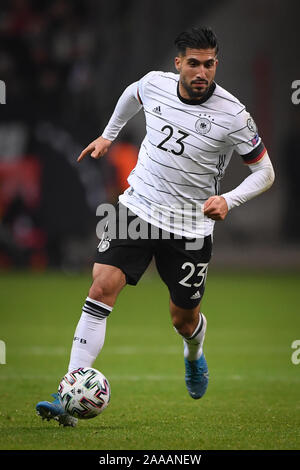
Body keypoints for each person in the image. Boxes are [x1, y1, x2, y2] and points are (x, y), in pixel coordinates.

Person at [36, 27, 275, 426]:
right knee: (100, 287)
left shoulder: (233, 115)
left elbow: (265, 172)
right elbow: (133, 94)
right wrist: (108, 135)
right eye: (194, 63)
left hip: (190, 227)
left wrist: (228, 200)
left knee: (183, 319)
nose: (202, 72)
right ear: (178, 63)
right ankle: (67, 395)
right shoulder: (155, 84)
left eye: (210, 64)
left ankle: (194, 354)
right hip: (137, 207)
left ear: (217, 64)